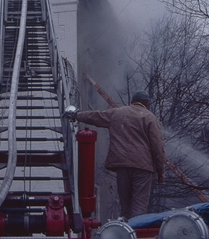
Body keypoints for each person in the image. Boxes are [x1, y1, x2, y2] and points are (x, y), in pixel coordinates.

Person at [70, 91, 166, 219]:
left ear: (132, 101)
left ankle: (124, 234)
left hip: (121, 165)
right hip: (143, 168)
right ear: (147, 103)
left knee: (125, 207)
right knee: (139, 207)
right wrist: (161, 171)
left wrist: (76, 115)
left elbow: (95, 116)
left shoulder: (117, 113)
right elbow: (157, 147)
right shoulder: (151, 118)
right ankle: (136, 234)